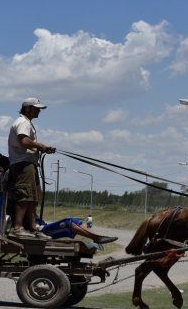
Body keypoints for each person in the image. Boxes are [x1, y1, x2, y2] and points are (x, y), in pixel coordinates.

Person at [8, 97, 55, 239]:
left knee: (33, 197)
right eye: (36, 108)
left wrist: (41, 148)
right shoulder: (23, 122)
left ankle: (33, 228)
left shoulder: (26, 122)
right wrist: (41, 146)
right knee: (25, 195)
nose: (39, 111)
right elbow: (24, 141)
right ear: (28, 108)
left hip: (28, 163)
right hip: (23, 163)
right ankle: (17, 228)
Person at [36, 216, 117, 244]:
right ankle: (97, 238)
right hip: (41, 230)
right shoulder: (26, 205)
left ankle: (97, 237)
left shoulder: (30, 206)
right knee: (68, 223)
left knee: (73, 220)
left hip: (43, 227)